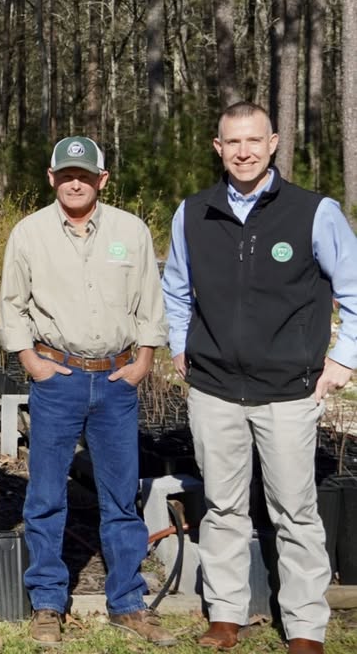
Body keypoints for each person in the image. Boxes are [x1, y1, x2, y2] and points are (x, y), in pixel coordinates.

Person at [163, 102, 357, 654]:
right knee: (222, 508)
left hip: (288, 392)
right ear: (217, 148)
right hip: (215, 389)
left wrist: (343, 360)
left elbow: (353, 288)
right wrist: (182, 347)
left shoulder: (313, 212)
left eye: (254, 141)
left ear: (273, 143)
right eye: (232, 143)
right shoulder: (193, 213)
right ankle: (226, 615)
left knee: (294, 511)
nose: (244, 152)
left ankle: (304, 627)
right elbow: (175, 288)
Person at [0, 136, 174, 646]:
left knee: (120, 498)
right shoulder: (30, 234)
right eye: (67, 173)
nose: (77, 181)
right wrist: (31, 360)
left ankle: (127, 602)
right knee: (47, 496)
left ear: (103, 178)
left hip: (117, 381)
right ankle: (47, 602)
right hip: (59, 378)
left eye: (86, 174)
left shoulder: (130, 231)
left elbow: (149, 301)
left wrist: (143, 360)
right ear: (52, 178)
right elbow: (13, 304)